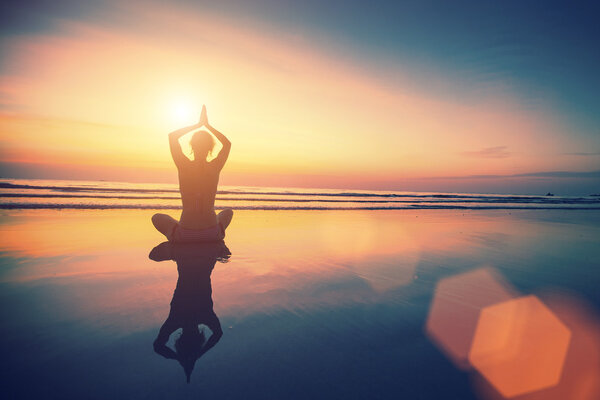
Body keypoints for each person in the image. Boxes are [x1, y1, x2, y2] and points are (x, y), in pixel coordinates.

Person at [149, 240, 231, 383]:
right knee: (222, 251)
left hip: (202, 248)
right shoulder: (176, 320)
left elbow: (218, 334)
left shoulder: (203, 317)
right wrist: (182, 357)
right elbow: (158, 346)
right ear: (179, 342)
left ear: (199, 340)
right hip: (191, 248)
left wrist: (199, 353)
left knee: (222, 251)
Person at [152, 105, 233, 242]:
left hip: (185, 234)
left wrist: (197, 125)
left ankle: (176, 233)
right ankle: (217, 234)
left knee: (157, 218)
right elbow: (227, 144)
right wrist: (207, 126)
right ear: (210, 149)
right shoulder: (214, 167)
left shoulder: (184, 165)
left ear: (192, 146)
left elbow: (172, 137)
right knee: (228, 213)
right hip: (211, 234)